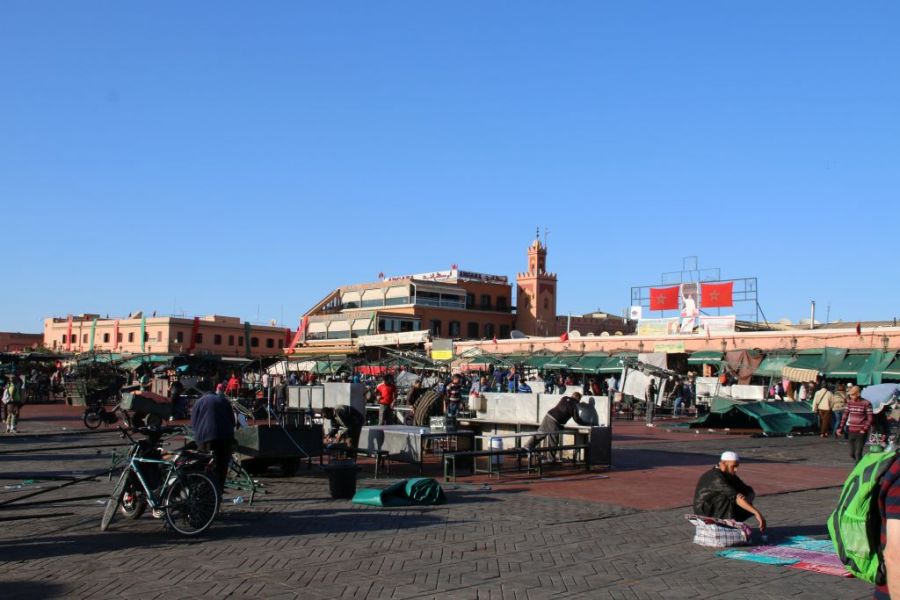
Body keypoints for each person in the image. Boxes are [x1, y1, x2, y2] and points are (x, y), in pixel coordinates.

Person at [693, 451, 766, 531]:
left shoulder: (729, 475)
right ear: (723, 464)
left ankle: (729, 523)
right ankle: (723, 525)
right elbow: (734, 497)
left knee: (744, 494)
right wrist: (756, 513)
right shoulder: (715, 477)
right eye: (733, 466)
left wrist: (743, 495)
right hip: (705, 510)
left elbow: (747, 490)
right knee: (727, 497)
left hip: (715, 507)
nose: (736, 469)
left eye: (737, 466)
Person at [190, 384, 236, 495]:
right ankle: (218, 491)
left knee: (204, 464)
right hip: (224, 437)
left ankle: (206, 491)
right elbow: (232, 421)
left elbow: (194, 422)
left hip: (205, 438)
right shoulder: (224, 400)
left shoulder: (199, 402)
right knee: (222, 466)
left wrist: (198, 436)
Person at [525, 392, 588, 461]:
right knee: (553, 440)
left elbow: (563, 409)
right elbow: (577, 419)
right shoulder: (573, 405)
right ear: (578, 399)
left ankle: (526, 447)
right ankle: (550, 459)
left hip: (548, 416)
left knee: (540, 434)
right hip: (554, 420)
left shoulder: (564, 398)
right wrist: (585, 423)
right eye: (579, 400)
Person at [838, 385, 873, 463]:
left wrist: (864, 429)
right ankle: (862, 463)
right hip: (851, 430)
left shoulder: (866, 403)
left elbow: (870, 418)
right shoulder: (849, 403)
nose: (850, 396)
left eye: (852, 394)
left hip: (861, 431)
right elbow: (845, 416)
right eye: (850, 395)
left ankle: (858, 468)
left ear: (858, 394)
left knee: (858, 453)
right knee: (852, 453)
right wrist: (841, 427)